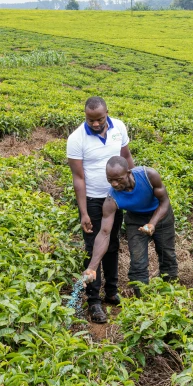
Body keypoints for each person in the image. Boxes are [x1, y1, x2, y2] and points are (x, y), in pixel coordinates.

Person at [67, 97, 134, 323]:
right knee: (93, 246)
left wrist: (131, 191)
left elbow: (126, 158)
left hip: (116, 198)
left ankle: (112, 292)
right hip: (94, 200)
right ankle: (93, 300)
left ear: (107, 113)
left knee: (113, 243)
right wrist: (84, 212)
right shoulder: (76, 138)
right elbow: (78, 177)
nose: (95, 124)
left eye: (100, 119)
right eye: (90, 120)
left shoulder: (120, 127)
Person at [83, 156, 178, 302]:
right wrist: (92, 267)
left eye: (119, 179)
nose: (114, 184)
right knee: (138, 263)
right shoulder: (111, 199)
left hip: (160, 216)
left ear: (128, 172)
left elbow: (164, 202)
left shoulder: (148, 175)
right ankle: (143, 302)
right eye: (110, 180)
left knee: (167, 256)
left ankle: (169, 297)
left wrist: (152, 223)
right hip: (135, 221)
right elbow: (104, 233)